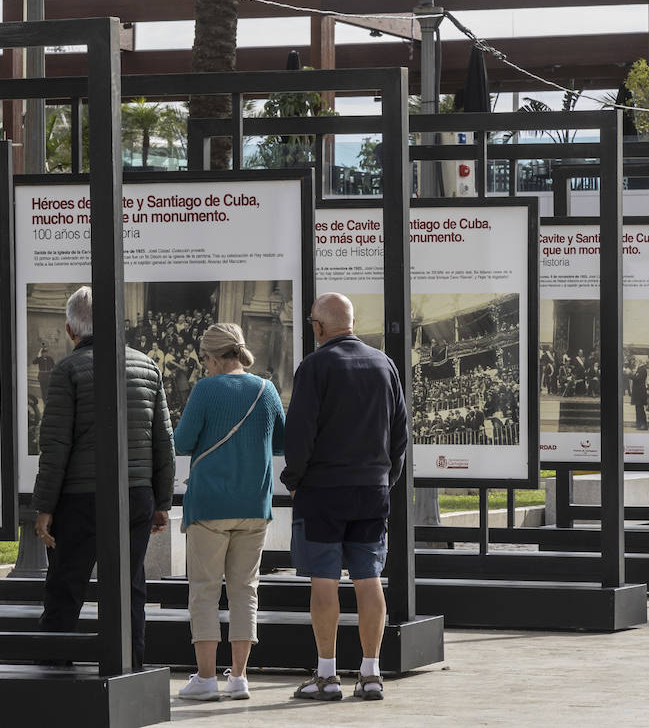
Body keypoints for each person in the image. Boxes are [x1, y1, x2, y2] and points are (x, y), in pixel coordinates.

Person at [32, 286, 175, 670]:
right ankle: (129, 667)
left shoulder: (67, 370)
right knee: (129, 587)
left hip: (80, 500)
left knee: (66, 586)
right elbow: (163, 440)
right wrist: (162, 502)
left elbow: (56, 446)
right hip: (136, 497)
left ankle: (55, 670)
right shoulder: (147, 365)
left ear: (69, 329)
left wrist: (44, 507)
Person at [282, 292, 408, 703]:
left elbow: (300, 432)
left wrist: (294, 478)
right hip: (371, 489)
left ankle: (326, 675)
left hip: (322, 491)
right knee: (369, 578)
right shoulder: (385, 364)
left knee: (324, 580)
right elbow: (401, 434)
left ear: (319, 326)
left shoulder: (315, 366)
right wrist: (384, 480)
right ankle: (371, 674)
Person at [173, 323, 285, 702]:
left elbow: (183, 442)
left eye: (205, 359)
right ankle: (239, 678)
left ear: (216, 357)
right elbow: (282, 441)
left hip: (209, 506)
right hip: (254, 506)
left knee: (204, 592)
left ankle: (205, 679)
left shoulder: (205, 390)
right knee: (245, 591)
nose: (205, 366)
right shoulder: (267, 390)